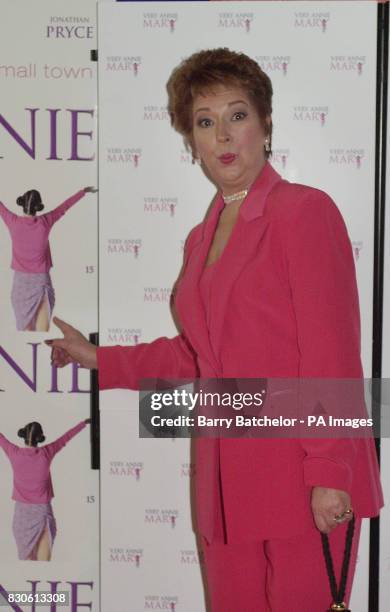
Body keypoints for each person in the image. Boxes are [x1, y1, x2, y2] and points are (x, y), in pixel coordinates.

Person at [46, 48, 383, 611]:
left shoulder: (303, 212)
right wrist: (101, 358)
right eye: (206, 121)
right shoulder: (202, 238)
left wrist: (329, 471)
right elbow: (200, 358)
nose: (223, 135)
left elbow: (332, 353)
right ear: (191, 139)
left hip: (302, 478)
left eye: (237, 114)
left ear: (266, 123)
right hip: (225, 490)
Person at [0, 186, 97, 332]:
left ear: (22, 204)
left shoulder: (12, 221)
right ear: (38, 207)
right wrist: (83, 192)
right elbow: (65, 206)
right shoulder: (45, 222)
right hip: (41, 283)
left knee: (26, 336)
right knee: (42, 334)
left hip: (20, 284)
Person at [0, 419, 89, 561]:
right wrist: (83, 424)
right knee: (43, 566)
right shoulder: (46, 453)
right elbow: (65, 438)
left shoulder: (14, 452)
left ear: (24, 435)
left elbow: (1, 438)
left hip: (21, 515)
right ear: (40, 437)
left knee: (27, 566)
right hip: (42, 512)